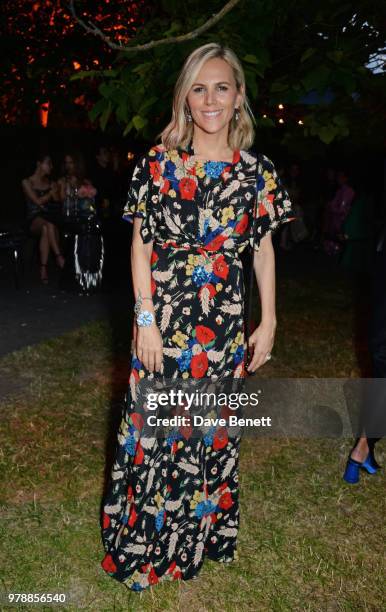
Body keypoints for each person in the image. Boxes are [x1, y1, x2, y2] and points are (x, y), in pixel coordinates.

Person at [100, 42, 293, 591]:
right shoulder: (157, 163)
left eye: (222, 87)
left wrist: (270, 320)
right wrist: (144, 319)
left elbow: (262, 250)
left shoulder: (259, 173)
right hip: (163, 324)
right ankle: (146, 546)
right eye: (199, 87)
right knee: (153, 434)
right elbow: (140, 245)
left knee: (208, 437)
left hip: (224, 330)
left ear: (239, 98)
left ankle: (197, 540)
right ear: (186, 97)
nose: (210, 98)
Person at [21, 153, 65, 283]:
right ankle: (59, 257)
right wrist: (51, 193)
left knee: (47, 227)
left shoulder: (50, 182)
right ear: (39, 164)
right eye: (48, 163)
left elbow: (58, 201)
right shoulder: (26, 182)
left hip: (48, 218)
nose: (51, 167)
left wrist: (58, 189)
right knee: (47, 224)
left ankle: (43, 269)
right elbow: (38, 202)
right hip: (33, 219)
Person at [323, 168, 355, 256]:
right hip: (336, 217)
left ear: (346, 178)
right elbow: (334, 204)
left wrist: (332, 208)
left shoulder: (348, 191)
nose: (338, 179)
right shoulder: (340, 190)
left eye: (341, 177)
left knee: (334, 224)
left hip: (342, 219)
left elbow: (342, 208)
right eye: (338, 177)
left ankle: (335, 247)